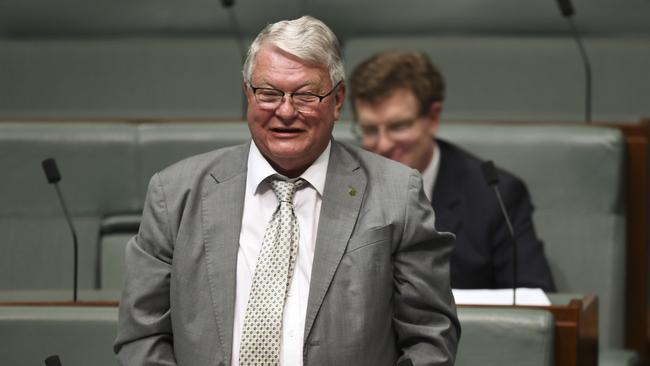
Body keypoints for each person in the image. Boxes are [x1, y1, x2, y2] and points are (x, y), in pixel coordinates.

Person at [114, 17, 460, 366]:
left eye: (306, 95)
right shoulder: (174, 194)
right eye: (269, 93)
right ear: (248, 94)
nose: (285, 111)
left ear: (338, 100)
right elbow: (143, 336)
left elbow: (429, 338)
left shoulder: (397, 194)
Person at [349, 51, 556, 291]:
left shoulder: (495, 197)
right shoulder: (342, 186)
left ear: (433, 118)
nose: (383, 144)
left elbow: (531, 302)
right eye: (370, 130)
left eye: (398, 126)